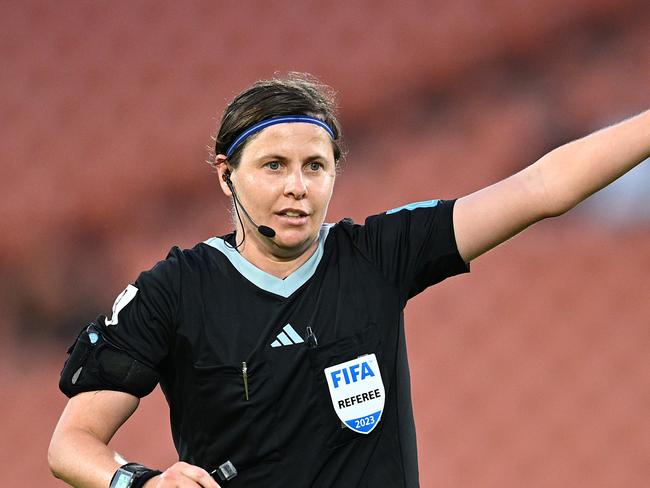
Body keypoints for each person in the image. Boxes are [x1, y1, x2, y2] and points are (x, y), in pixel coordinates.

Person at [48, 73, 649, 488]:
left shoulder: (378, 255)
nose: (297, 188)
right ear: (226, 177)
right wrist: (139, 481)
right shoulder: (175, 291)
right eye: (273, 166)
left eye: (316, 165)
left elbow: (541, 189)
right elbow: (71, 443)